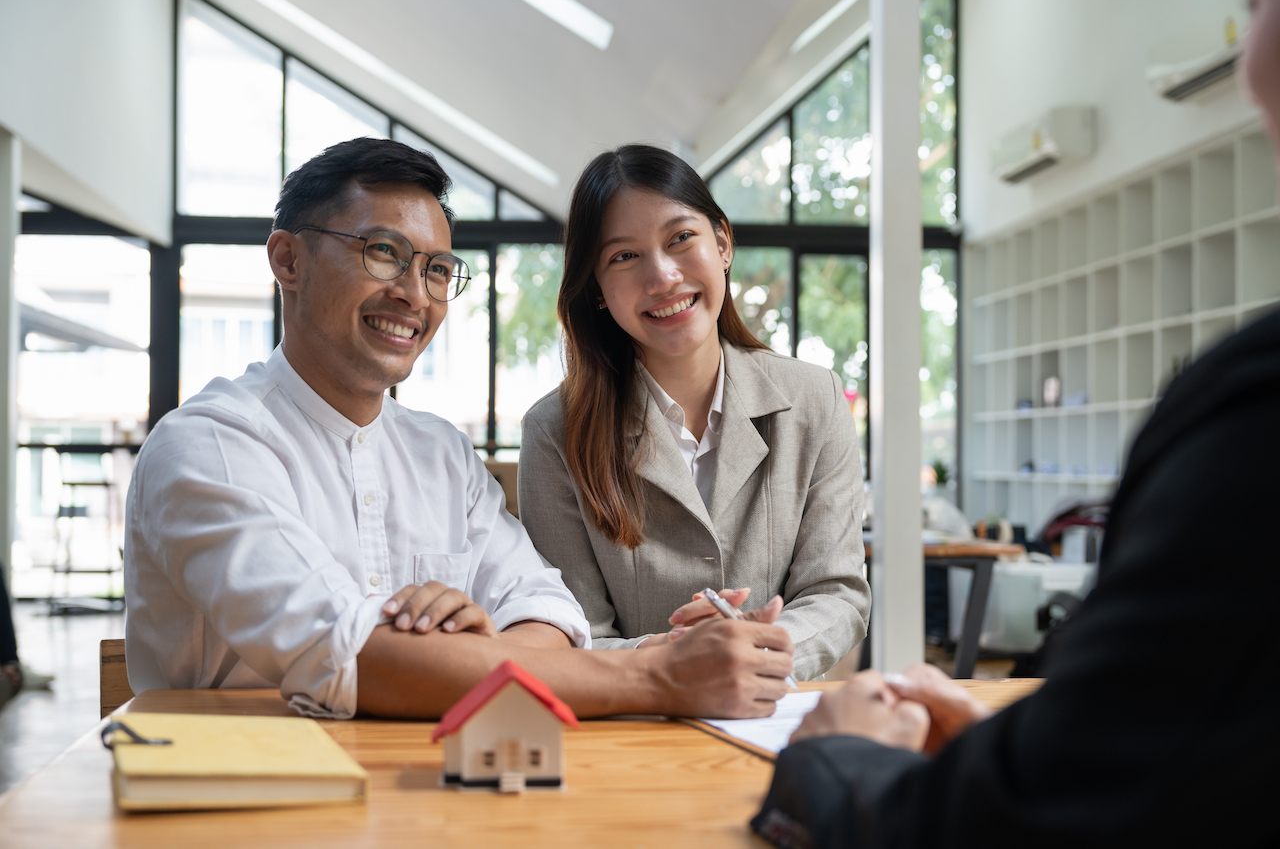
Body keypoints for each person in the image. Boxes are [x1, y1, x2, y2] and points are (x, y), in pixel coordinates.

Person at [751, 0, 1280, 846]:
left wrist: (835, 756)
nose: (1245, 43)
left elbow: (1056, 811)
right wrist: (1031, 744)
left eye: (1254, 5)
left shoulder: (1251, 413)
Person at [124, 137, 795, 721]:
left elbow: (552, 616)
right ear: (288, 261)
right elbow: (352, 657)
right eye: (383, 252)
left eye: (436, 269)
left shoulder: (440, 453)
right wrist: (657, 675)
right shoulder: (208, 446)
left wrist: (468, 656)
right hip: (235, 808)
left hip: (432, 796)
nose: (415, 294)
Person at [518, 145, 869, 681]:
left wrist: (759, 651)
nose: (662, 277)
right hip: (632, 736)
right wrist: (674, 661)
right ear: (596, 290)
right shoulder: (554, 432)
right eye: (623, 256)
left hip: (773, 720)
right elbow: (571, 630)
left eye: (681, 238)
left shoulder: (814, 398)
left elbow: (837, 591)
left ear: (723, 242)